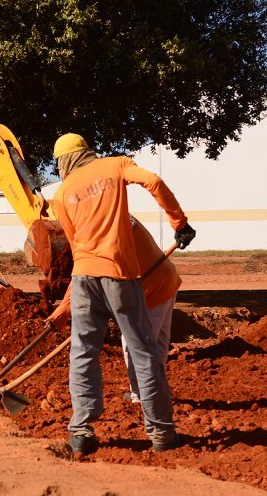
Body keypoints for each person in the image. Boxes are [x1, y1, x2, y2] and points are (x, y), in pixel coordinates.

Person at [48, 132, 196, 456]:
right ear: (86, 152)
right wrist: (179, 223)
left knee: (83, 352)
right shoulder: (115, 165)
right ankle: (161, 433)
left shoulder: (62, 194)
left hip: (85, 278)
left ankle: (80, 430)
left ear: (64, 161)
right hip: (118, 275)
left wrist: (65, 309)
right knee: (143, 351)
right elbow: (153, 181)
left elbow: (77, 251)